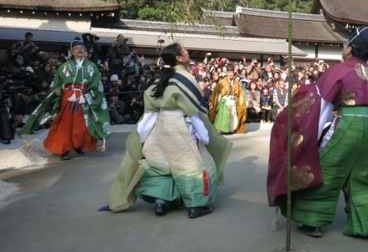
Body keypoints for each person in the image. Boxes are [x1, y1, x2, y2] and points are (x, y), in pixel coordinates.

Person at [268, 26, 368, 244]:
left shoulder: (340, 70)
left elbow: (320, 106)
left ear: (350, 49)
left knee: (326, 169)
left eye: (344, 44)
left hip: (347, 126)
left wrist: (306, 138)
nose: (343, 47)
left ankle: (312, 221)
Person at [107, 43, 232, 217]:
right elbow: (193, 109)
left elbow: (151, 110)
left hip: (159, 126)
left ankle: (161, 202)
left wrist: (141, 135)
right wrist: (204, 134)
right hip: (182, 126)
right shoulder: (187, 77)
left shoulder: (160, 79)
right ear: (179, 58)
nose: (188, 52)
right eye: (185, 51)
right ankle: (195, 205)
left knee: (159, 165)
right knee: (193, 167)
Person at [19, 38, 110, 160]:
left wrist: (87, 95)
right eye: (77, 48)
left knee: (82, 124)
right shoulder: (64, 66)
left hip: (84, 97)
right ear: (72, 51)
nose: (79, 50)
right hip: (68, 97)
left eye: (82, 48)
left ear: (85, 51)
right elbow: (57, 83)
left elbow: (96, 84)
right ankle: (64, 149)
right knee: (65, 124)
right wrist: (57, 90)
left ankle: (78, 145)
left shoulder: (92, 66)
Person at [208, 64, 247, 134]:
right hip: (225, 101)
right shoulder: (222, 82)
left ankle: (231, 129)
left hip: (233, 100)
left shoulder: (236, 82)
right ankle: (222, 129)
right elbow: (216, 92)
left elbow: (240, 93)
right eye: (229, 72)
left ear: (233, 73)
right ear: (226, 73)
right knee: (224, 115)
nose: (230, 74)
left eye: (231, 72)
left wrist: (241, 101)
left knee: (233, 114)